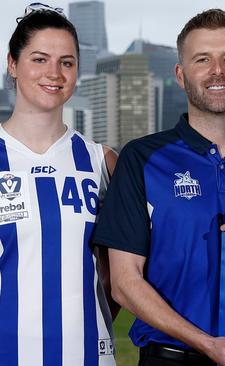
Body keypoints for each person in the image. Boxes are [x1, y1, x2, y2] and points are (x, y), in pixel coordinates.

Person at [92, 8, 225, 366]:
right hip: (171, 357)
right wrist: (206, 343)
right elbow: (123, 283)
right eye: (202, 60)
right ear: (180, 74)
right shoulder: (142, 159)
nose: (217, 71)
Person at [0, 4, 118, 366]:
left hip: (88, 355)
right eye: (39, 59)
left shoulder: (103, 162)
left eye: (66, 62)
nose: (54, 73)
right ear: (13, 64)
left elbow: (119, 274)